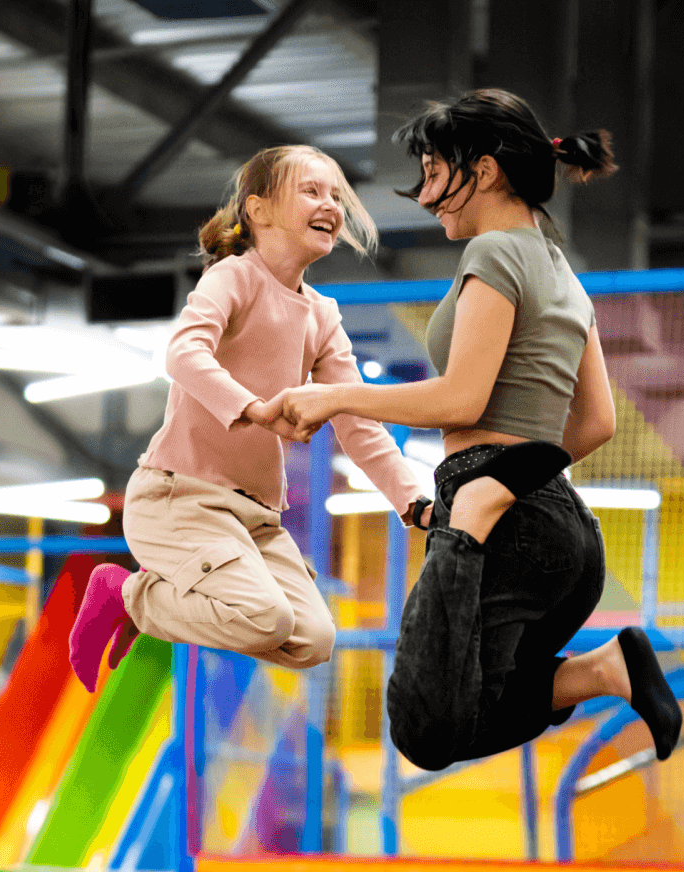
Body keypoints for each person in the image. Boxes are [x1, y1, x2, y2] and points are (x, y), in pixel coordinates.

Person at [276, 88, 681, 770]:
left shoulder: (494, 253)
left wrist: (337, 399)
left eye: (436, 173)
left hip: (495, 515)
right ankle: (605, 670)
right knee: (466, 710)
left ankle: (588, 649)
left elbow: (464, 400)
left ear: (486, 172)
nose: (428, 195)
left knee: (424, 725)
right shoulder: (562, 273)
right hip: (566, 533)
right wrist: (525, 477)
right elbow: (597, 422)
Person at [68, 145, 424, 691]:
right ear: (258, 211)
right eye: (311, 191)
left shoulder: (323, 316)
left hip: (254, 518)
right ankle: (127, 595)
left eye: (335, 195)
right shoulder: (234, 277)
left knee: (313, 639)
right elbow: (184, 354)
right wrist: (255, 410)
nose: (329, 204)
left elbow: (358, 420)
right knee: (268, 618)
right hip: (178, 498)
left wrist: (412, 502)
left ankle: (141, 603)